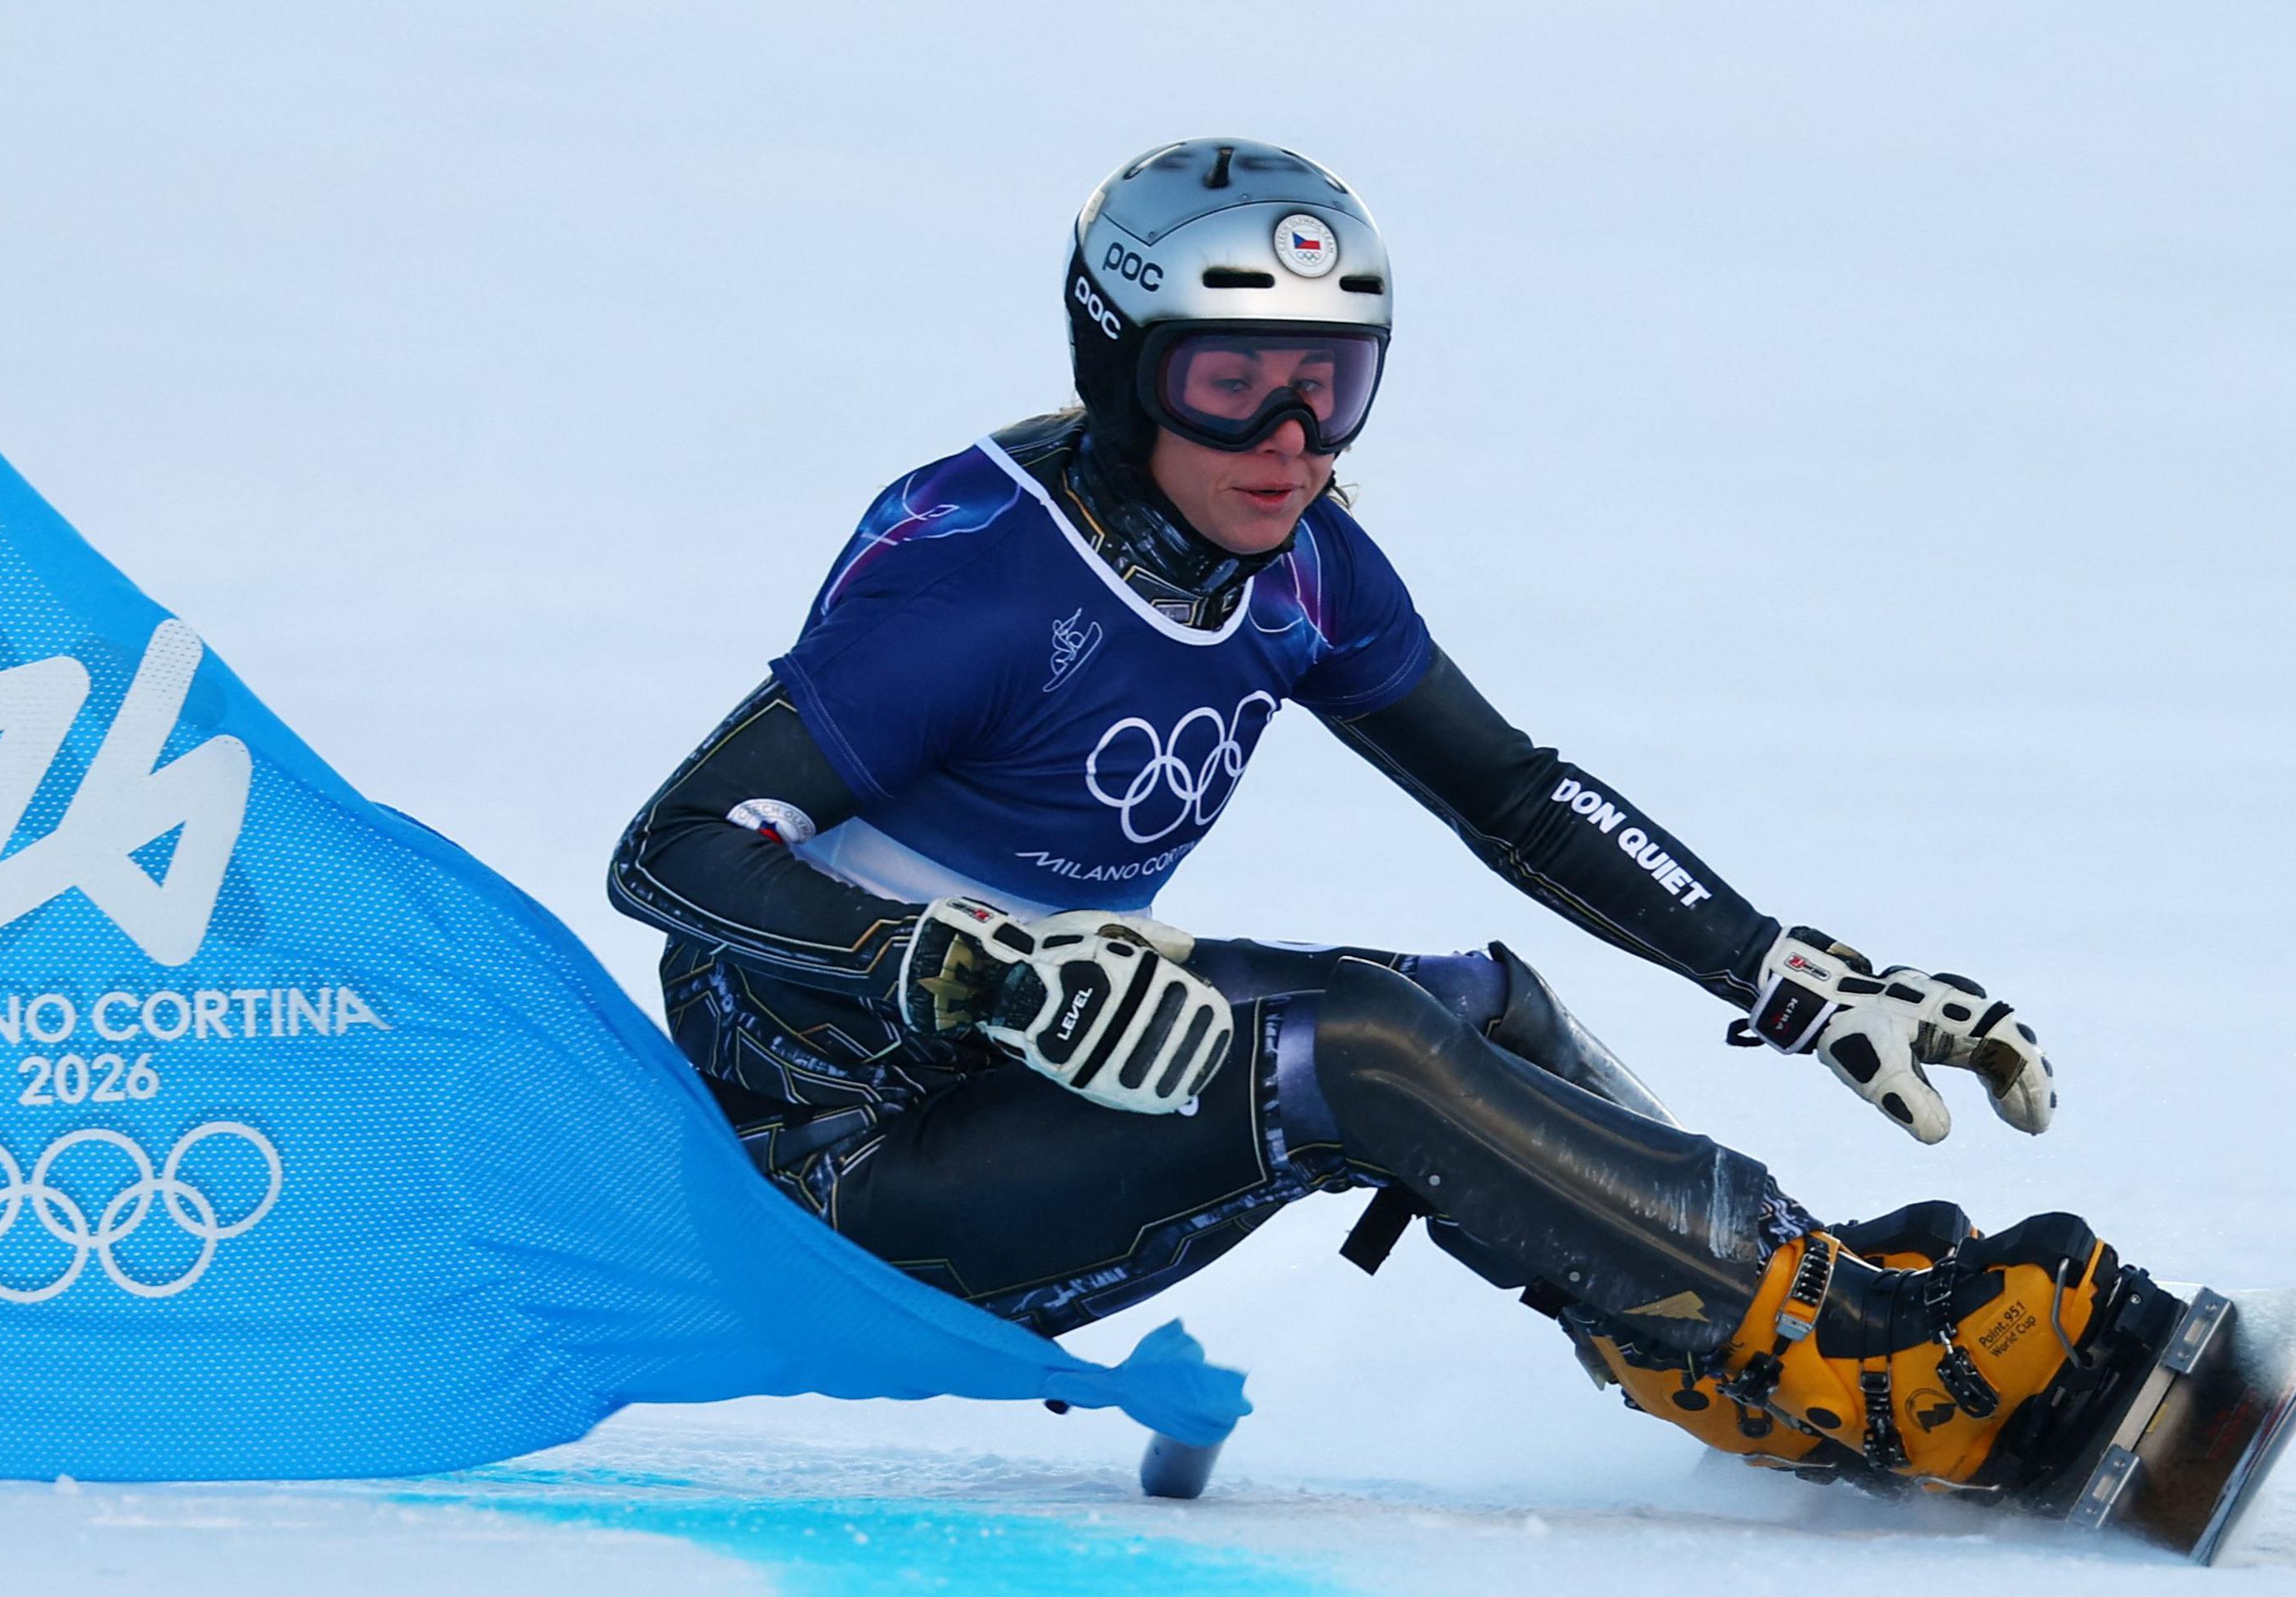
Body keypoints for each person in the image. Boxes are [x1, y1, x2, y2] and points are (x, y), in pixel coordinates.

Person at [609, 137, 2173, 1497]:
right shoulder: (981, 583)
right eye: (1230, 384)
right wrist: (975, 970)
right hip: (832, 1184)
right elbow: (668, 851)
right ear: (1117, 368)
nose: (1289, 442)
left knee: (1481, 1009)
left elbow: (1509, 791)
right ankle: (1846, 1353)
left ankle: (1777, 1332)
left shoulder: (1299, 563)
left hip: (1025, 1073)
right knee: (1347, 1049)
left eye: (1330, 382)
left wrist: (1778, 967)